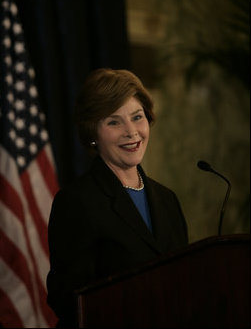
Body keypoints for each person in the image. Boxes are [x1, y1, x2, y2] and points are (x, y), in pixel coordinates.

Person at [46, 68, 188, 327]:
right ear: (92, 134)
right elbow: (66, 299)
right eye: (114, 122)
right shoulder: (76, 202)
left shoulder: (168, 200)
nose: (131, 131)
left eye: (137, 117)